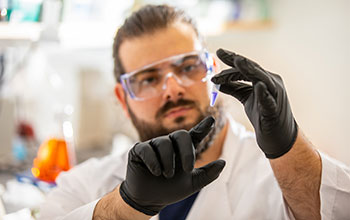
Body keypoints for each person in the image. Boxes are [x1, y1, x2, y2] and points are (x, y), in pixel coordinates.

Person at [39, 4, 350, 220]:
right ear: (123, 99)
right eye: (148, 79)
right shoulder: (85, 185)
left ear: (212, 70)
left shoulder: (272, 174)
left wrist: (289, 145)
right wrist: (128, 205)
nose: (173, 89)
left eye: (188, 67)